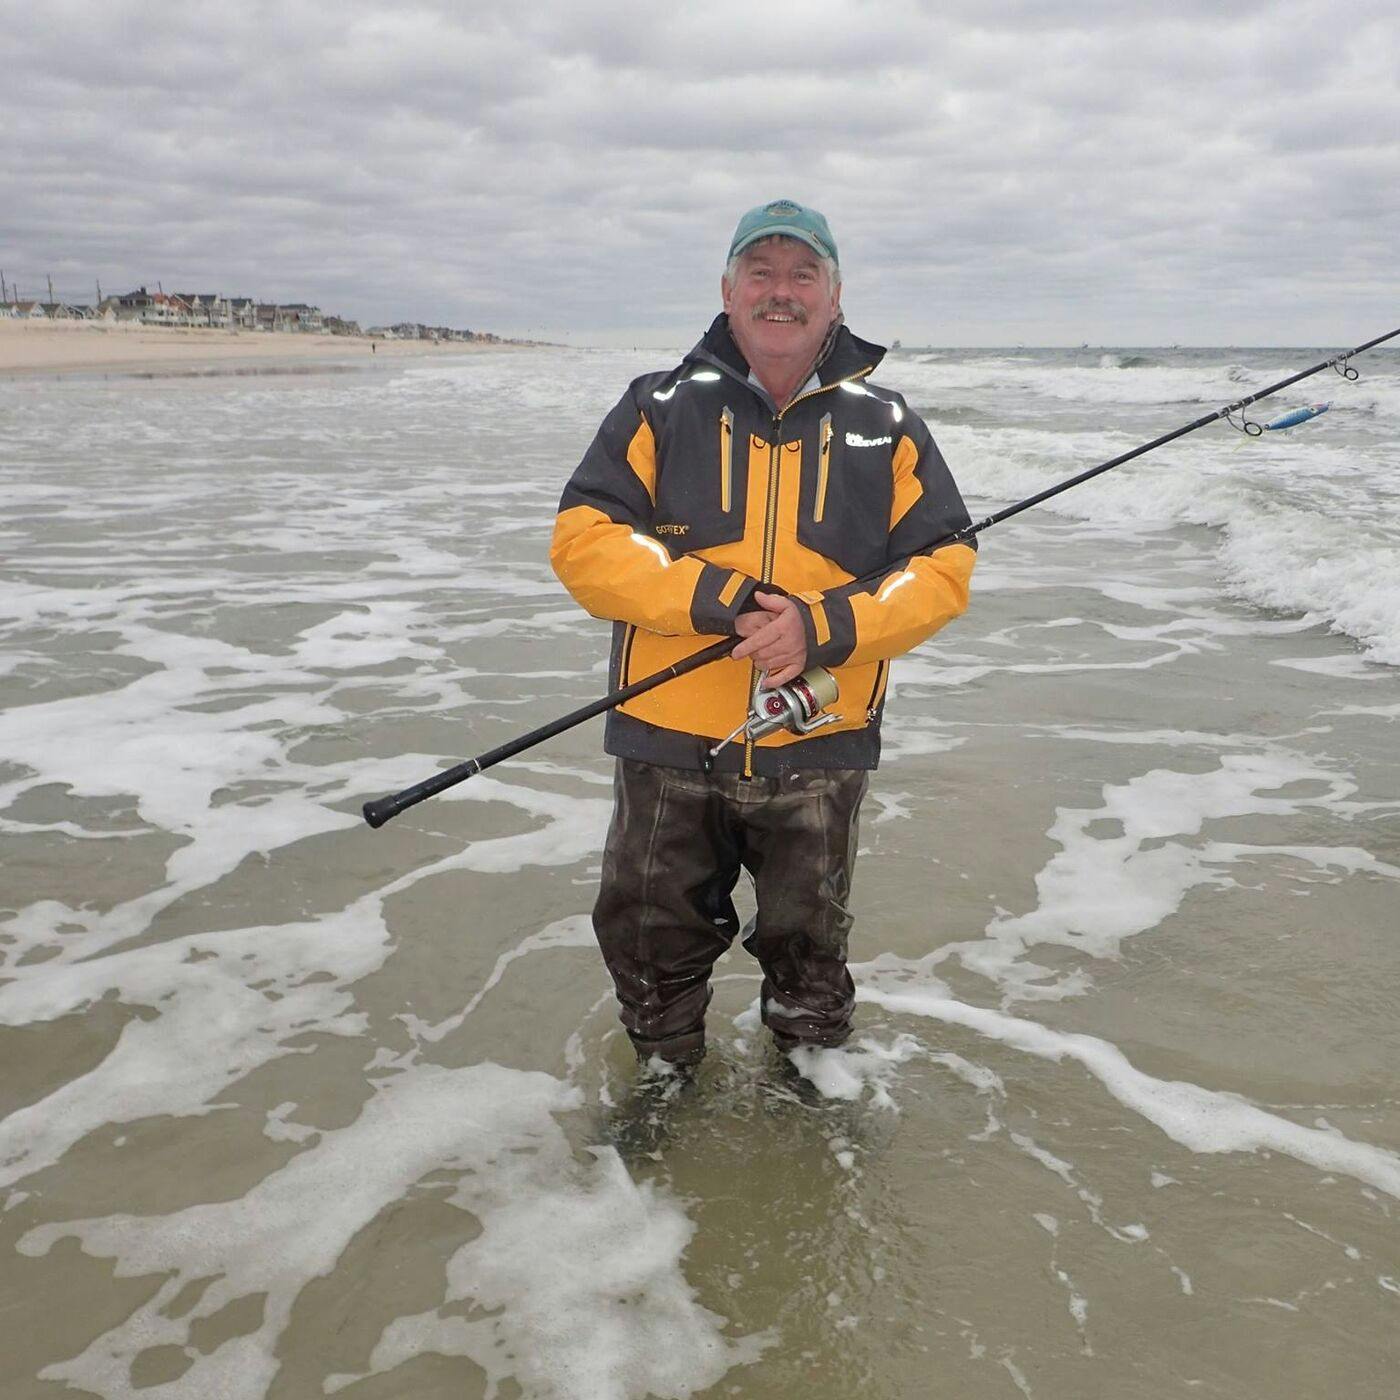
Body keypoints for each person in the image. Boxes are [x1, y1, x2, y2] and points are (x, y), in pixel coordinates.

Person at [551, 199, 976, 1068]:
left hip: (818, 735)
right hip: (668, 737)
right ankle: (665, 1082)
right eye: (762, 272)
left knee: (809, 947)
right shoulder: (656, 407)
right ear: (729, 288)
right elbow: (583, 543)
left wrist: (824, 626)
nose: (781, 292)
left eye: (802, 274)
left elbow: (944, 567)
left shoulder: (888, 425)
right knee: (646, 937)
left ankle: (811, 1090)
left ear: (835, 295)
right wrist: (723, 600)